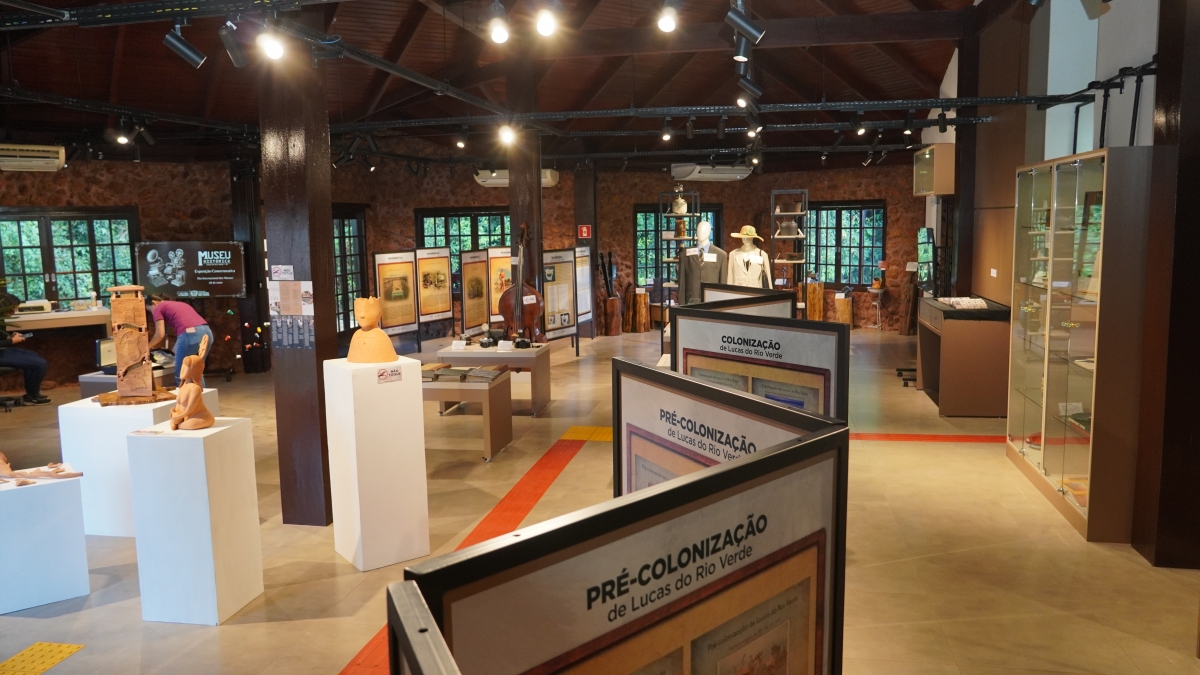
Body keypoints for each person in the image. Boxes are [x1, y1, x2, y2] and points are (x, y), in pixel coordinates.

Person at [146, 294, 213, 387]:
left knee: (182, 374)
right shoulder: (179, 304)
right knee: (196, 371)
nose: (152, 313)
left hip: (190, 334)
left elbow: (160, 334)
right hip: (207, 332)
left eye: (150, 310)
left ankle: (184, 396)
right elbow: (190, 325)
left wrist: (147, 347)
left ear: (153, 302)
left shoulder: (158, 307)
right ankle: (200, 396)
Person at [0, 292, 51, 405]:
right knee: (39, 364)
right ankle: (33, 395)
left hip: (3, 350)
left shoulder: (1, 319)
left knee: (34, 356)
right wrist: (12, 341)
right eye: (11, 311)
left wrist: (10, 337)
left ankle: (32, 394)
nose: (13, 313)